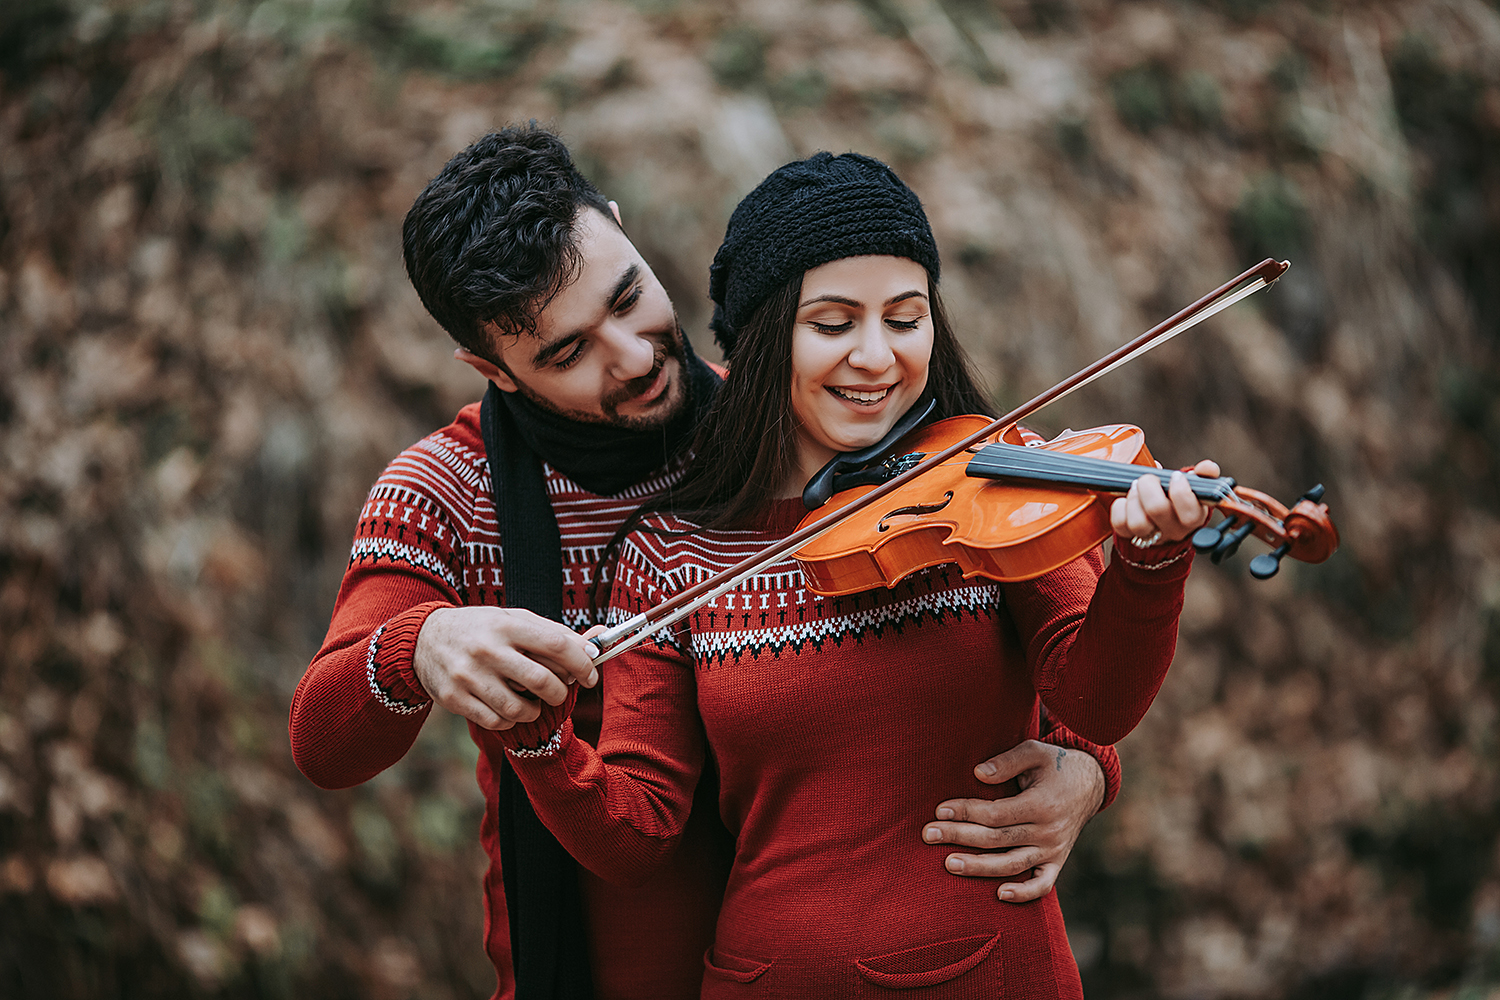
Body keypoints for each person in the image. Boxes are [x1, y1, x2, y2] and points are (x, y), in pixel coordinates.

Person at [289, 127, 1123, 1000]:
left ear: (624, 230)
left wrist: (1081, 764)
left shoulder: (790, 421)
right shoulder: (446, 491)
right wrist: (421, 645)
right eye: (568, 353)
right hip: (601, 968)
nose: (636, 355)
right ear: (489, 368)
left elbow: (995, 576)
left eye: (627, 296)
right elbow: (322, 738)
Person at [486, 152, 1217, 998]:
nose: (876, 358)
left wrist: (1151, 566)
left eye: (905, 319)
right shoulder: (673, 551)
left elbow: (1095, 704)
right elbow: (639, 830)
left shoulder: (994, 485)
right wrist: (540, 741)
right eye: (833, 324)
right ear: (763, 341)